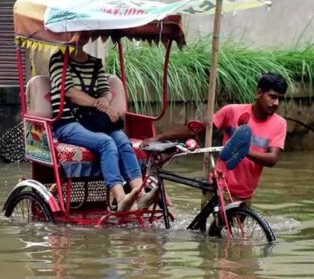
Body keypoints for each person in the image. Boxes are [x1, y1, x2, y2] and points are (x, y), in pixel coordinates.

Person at [144, 73, 288, 203]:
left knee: (236, 232)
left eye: (279, 99)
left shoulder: (279, 124)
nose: (276, 103)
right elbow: (197, 129)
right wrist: (160, 136)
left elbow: (272, 158)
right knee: (209, 231)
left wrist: (244, 151)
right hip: (219, 184)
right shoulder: (232, 111)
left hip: (246, 193)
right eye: (272, 97)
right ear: (259, 93)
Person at [49, 44, 150, 211]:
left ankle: (140, 194)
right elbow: (70, 93)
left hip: (93, 121)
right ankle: (121, 197)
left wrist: (105, 99)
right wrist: (100, 104)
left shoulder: (95, 63)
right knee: (106, 142)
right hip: (67, 122)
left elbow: (105, 90)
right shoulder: (58, 59)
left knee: (123, 141)